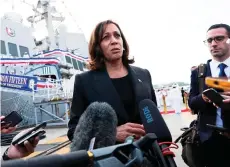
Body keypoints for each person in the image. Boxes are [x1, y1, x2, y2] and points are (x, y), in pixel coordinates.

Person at [67, 20, 157, 143]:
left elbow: (154, 118)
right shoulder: (84, 81)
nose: (114, 41)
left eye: (117, 35)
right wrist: (110, 134)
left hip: (149, 155)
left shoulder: (144, 74)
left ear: (123, 43)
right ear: (98, 47)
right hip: (110, 158)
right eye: (106, 37)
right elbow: (73, 131)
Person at [188, 23, 230, 167]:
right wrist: (204, 97)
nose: (213, 44)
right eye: (210, 40)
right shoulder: (199, 72)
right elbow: (192, 103)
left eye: (219, 38)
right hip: (209, 140)